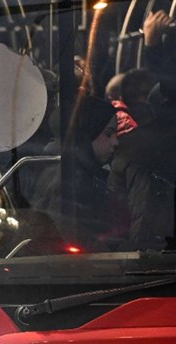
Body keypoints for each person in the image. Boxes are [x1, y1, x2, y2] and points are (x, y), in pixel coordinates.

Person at [31, 95, 121, 247]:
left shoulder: (72, 169)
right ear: (88, 132)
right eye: (108, 134)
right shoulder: (72, 178)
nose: (115, 142)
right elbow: (72, 237)